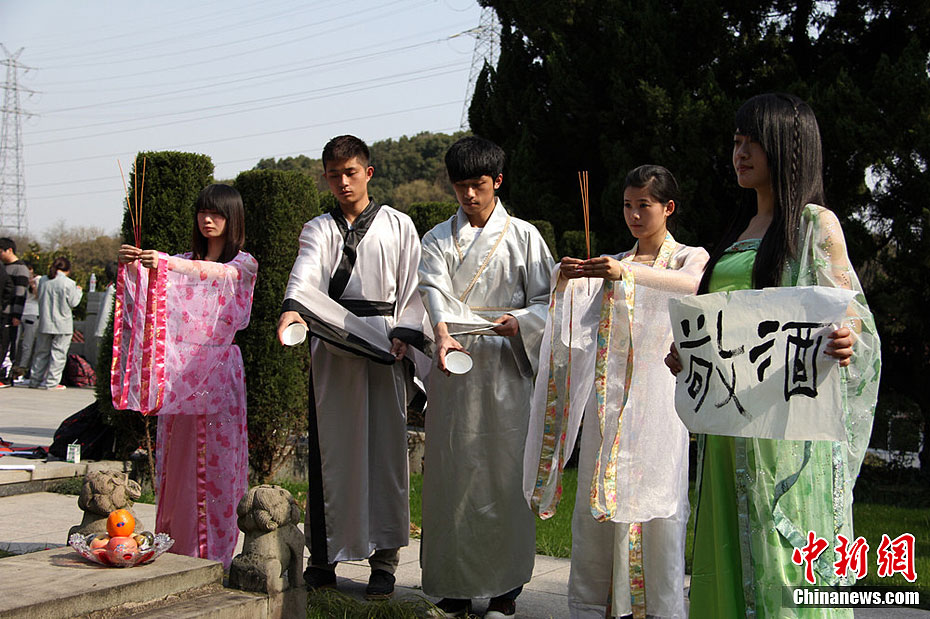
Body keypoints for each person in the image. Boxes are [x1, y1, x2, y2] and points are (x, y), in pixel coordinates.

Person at [665, 93, 880, 617]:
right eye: (736, 141)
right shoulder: (737, 231)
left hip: (784, 433)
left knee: (780, 557)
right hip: (728, 430)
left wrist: (846, 341)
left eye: (752, 141)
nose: (739, 152)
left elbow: (849, 313)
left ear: (789, 146)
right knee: (727, 553)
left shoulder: (814, 224)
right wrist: (691, 356)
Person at [526, 165, 708, 618]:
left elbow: (694, 286)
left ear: (668, 208)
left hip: (659, 406)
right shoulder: (613, 265)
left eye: (643, 205)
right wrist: (567, 282)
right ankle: (600, 606)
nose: (634, 215)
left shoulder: (688, 257)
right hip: (608, 410)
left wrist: (623, 274)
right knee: (599, 516)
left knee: (657, 511)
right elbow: (577, 337)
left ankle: (657, 608)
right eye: (627, 205)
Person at [277, 135, 427, 599]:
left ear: (368, 173)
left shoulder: (400, 225)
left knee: (386, 455)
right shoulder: (317, 229)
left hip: (387, 345)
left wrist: (404, 332)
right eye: (334, 174)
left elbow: (415, 287)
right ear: (325, 177)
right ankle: (323, 558)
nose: (343, 182)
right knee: (333, 451)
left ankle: (384, 561)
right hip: (334, 344)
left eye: (351, 172)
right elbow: (303, 278)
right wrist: (292, 309)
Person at [418, 135, 554, 618]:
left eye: (478, 185)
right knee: (453, 474)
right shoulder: (436, 238)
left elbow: (546, 301)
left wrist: (523, 323)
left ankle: (504, 590)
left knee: (503, 474)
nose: (469, 196)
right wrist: (441, 333)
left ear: (497, 181)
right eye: (460, 186)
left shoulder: (524, 236)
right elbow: (432, 290)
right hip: (455, 363)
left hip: (506, 366)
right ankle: (452, 588)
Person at [115, 183, 257, 568]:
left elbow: (212, 274)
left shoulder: (243, 265)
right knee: (176, 462)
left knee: (219, 463)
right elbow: (151, 301)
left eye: (217, 214)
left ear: (233, 219)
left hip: (218, 371)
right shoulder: (176, 261)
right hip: (181, 376)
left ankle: (215, 555)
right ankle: (175, 546)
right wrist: (134, 268)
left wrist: (165, 264)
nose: (208, 220)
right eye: (203, 212)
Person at [29, 256, 83, 390]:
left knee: (41, 353)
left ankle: (34, 380)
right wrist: (79, 291)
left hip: (45, 321)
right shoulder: (69, 283)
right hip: (62, 324)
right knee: (58, 354)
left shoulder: (43, 281)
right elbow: (74, 302)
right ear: (67, 269)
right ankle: (52, 382)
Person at [0, 238, 30, 386]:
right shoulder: (4, 267)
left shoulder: (20, 269)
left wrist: (16, 315)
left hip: (10, 314)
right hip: (2, 313)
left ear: (9, 250)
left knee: (8, 344)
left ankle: (6, 376)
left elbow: (20, 294)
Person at [14, 262, 38, 382]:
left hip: (32, 313)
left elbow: (39, 296)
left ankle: (22, 369)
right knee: (14, 341)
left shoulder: (38, 280)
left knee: (27, 344)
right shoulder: (18, 279)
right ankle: (12, 366)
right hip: (18, 313)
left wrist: (33, 285)